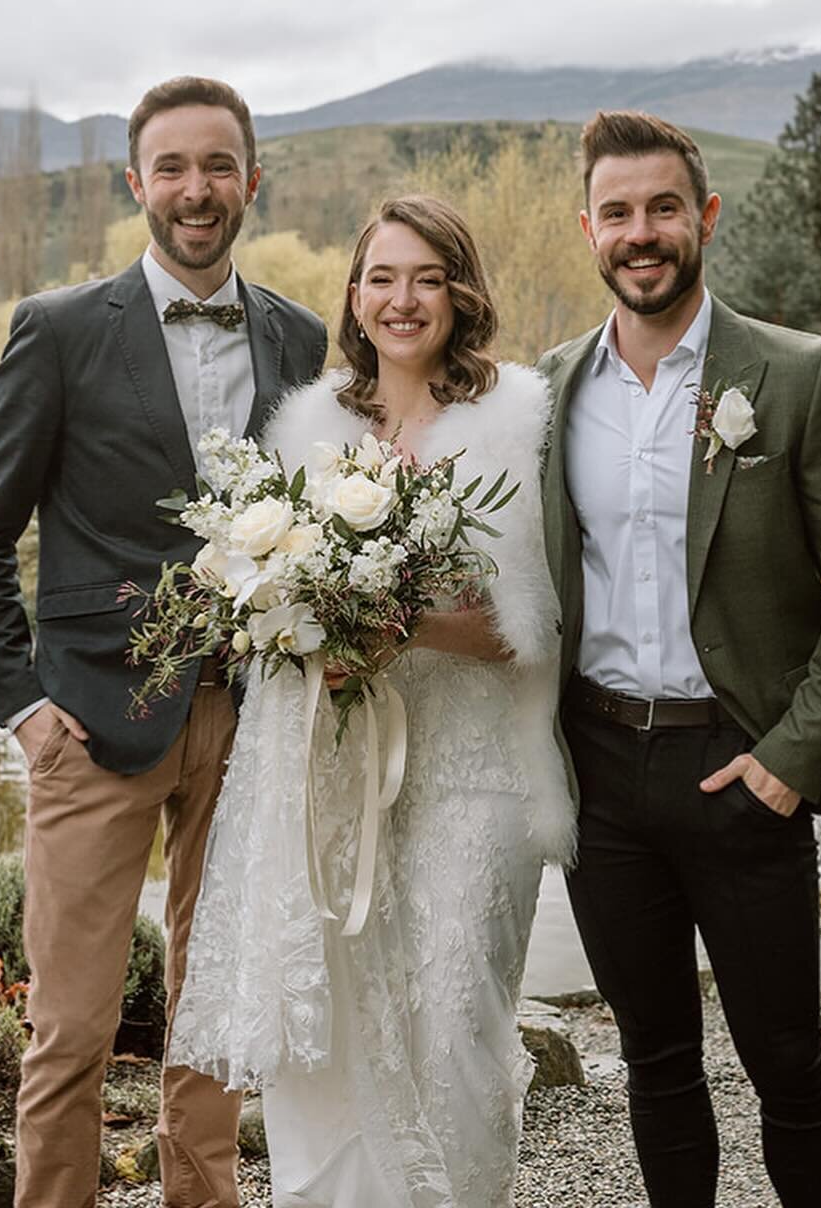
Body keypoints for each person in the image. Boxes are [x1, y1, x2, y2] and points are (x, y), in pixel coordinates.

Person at [0, 75, 328, 1208]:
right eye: (173, 167)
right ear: (136, 184)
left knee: (218, 1014)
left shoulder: (302, 340)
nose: (196, 190)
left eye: (218, 166)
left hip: (251, 723)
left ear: (251, 181)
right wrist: (22, 708)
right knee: (68, 1028)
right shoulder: (59, 332)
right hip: (89, 726)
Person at [168, 194, 576, 1207]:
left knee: (456, 1012)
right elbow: (278, 598)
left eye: (427, 277)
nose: (403, 299)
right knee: (345, 1026)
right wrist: (303, 628)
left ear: (460, 292)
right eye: (382, 278)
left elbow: (542, 619)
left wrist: (401, 625)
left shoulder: (520, 419)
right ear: (353, 298)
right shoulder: (309, 425)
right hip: (344, 776)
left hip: (477, 765)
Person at [537, 111, 821, 1208]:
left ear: (702, 218)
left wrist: (790, 759)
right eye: (617, 213)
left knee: (787, 1064)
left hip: (744, 768)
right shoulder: (552, 391)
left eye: (662, 208)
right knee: (653, 1065)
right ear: (589, 228)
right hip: (601, 779)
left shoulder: (798, 377)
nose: (639, 232)